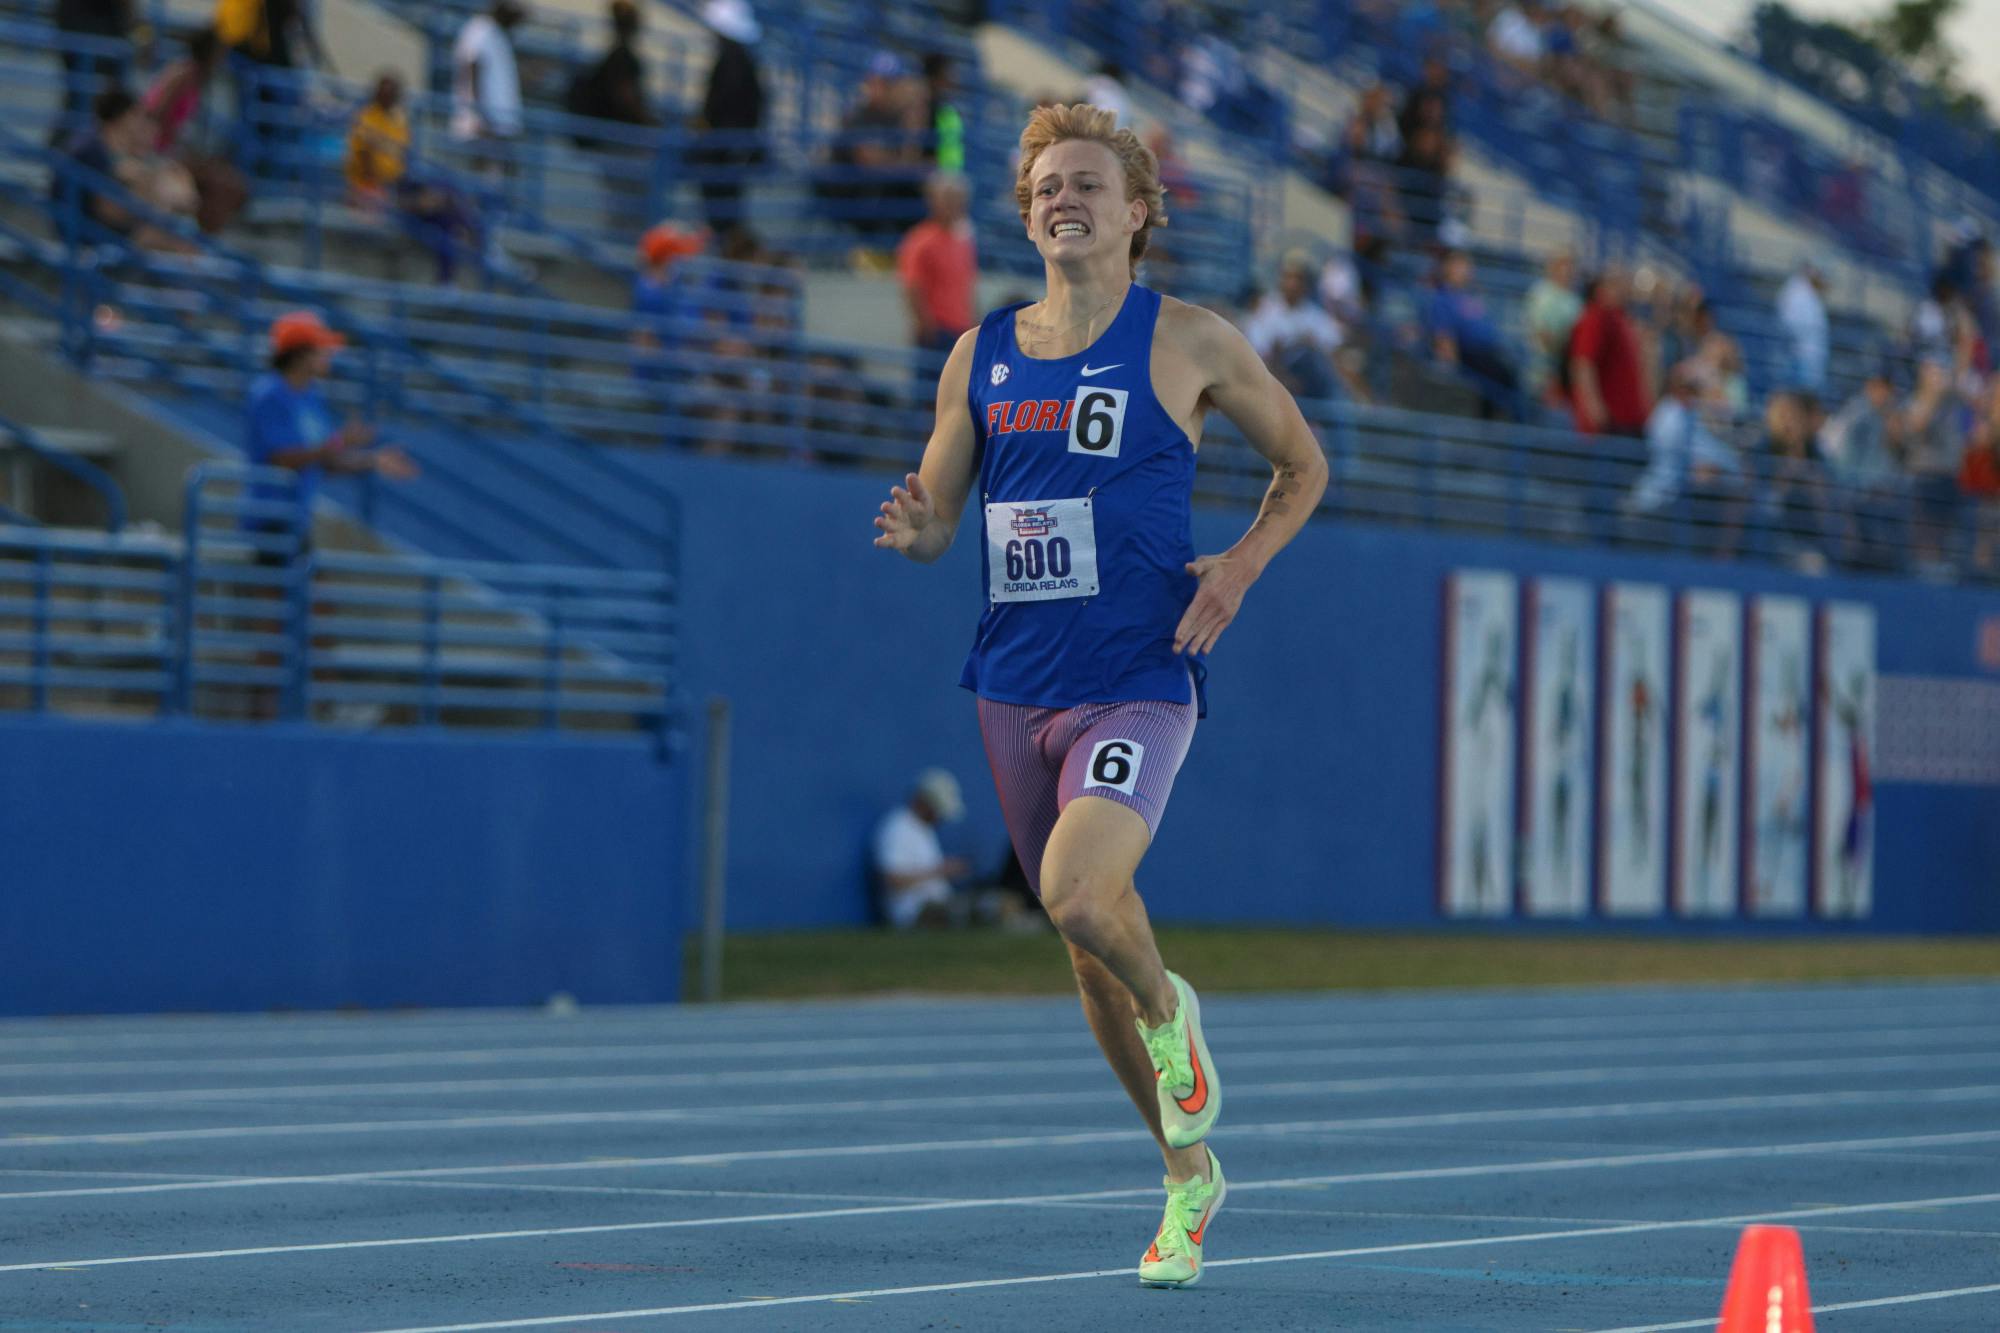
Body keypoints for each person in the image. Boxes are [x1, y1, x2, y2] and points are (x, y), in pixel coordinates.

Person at [871, 102, 1328, 1289]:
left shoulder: (1188, 340)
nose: (1058, 198)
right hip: (1014, 685)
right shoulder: (978, 354)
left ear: (1137, 211)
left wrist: (1236, 566)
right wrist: (921, 530)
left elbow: (1303, 462)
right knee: (1080, 954)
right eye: (1040, 188)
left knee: (1077, 896)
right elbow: (935, 521)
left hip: (1138, 673)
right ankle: (1185, 1174)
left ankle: (1170, 1011)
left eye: (1083, 182)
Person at [247, 312, 420, 529]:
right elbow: (282, 461)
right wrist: (339, 442)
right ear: (300, 355)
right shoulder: (269, 394)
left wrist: (372, 460)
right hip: (270, 519)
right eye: (321, 350)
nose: (328, 355)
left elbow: (324, 462)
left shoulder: (311, 396)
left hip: (298, 519)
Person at [691, 0, 764, 231]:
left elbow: (723, 103)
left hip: (723, 146)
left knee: (722, 201)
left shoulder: (732, 61)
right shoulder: (741, 60)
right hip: (729, 145)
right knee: (726, 201)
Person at [1426, 248, 1521, 417]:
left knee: (1510, 372)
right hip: (1468, 354)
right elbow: (1443, 335)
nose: (1465, 270)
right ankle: (1489, 423)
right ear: (1448, 268)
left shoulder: (1473, 296)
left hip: (1488, 352)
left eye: (1467, 265)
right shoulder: (1444, 297)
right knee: (1495, 375)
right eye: (1459, 265)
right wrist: (1451, 361)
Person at [872, 769, 972, 928]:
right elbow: (891, 880)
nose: (940, 817)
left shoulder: (925, 830)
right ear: (925, 802)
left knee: (990, 905)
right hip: (914, 912)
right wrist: (941, 870)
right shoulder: (897, 827)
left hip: (940, 903)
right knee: (975, 912)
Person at [897, 173, 976, 356]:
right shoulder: (920, 241)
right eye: (948, 199)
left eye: (958, 199)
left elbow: (967, 285)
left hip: (961, 330)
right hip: (937, 333)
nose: (954, 204)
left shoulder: (964, 240)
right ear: (933, 201)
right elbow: (912, 286)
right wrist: (927, 326)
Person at [1568, 267, 1650, 437]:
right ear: (1600, 290)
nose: (1622, 289)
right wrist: (1593, 406)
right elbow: (1583, 363)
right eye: (1614, 284)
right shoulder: (1596, 317)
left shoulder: (1620, 318)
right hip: (1611, 420)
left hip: (1630, 418)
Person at [452, 1, 527, 145]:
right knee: (482, 163)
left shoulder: (500, 34)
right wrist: (479, 114)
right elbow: (473, 69)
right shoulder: (480, 30)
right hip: (483, 124)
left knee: (499, 163)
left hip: (501, 123)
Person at [1523, 248, 1580, 403]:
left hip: (1569, 368)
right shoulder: (1541, 293)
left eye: (1571, 266)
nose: (1568, 271)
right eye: (1564, 265)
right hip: (1544, 371)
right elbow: (1542, 334)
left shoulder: (1574, 299)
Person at [1775, 262, 1829, 398]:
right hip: (1799, 356)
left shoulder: (1807, 294)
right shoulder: (1796, 293)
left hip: (1807, 356)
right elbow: (1791, 326)